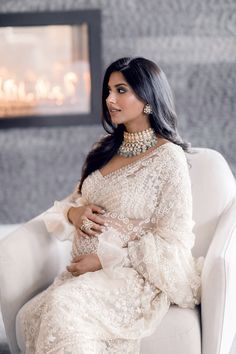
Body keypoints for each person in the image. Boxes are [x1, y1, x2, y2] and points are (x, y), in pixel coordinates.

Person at [20, 57, 203, 354]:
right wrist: (73, 212)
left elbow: (174, 239)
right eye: (108, 91)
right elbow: (75, 199)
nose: (109, 99)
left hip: (132, 276)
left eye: (121, 90)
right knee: (29, 315)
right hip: (83, 272)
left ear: (148, 97)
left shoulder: (169, 159)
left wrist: (105, 259)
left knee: (63, 308)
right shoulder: (103, 148)